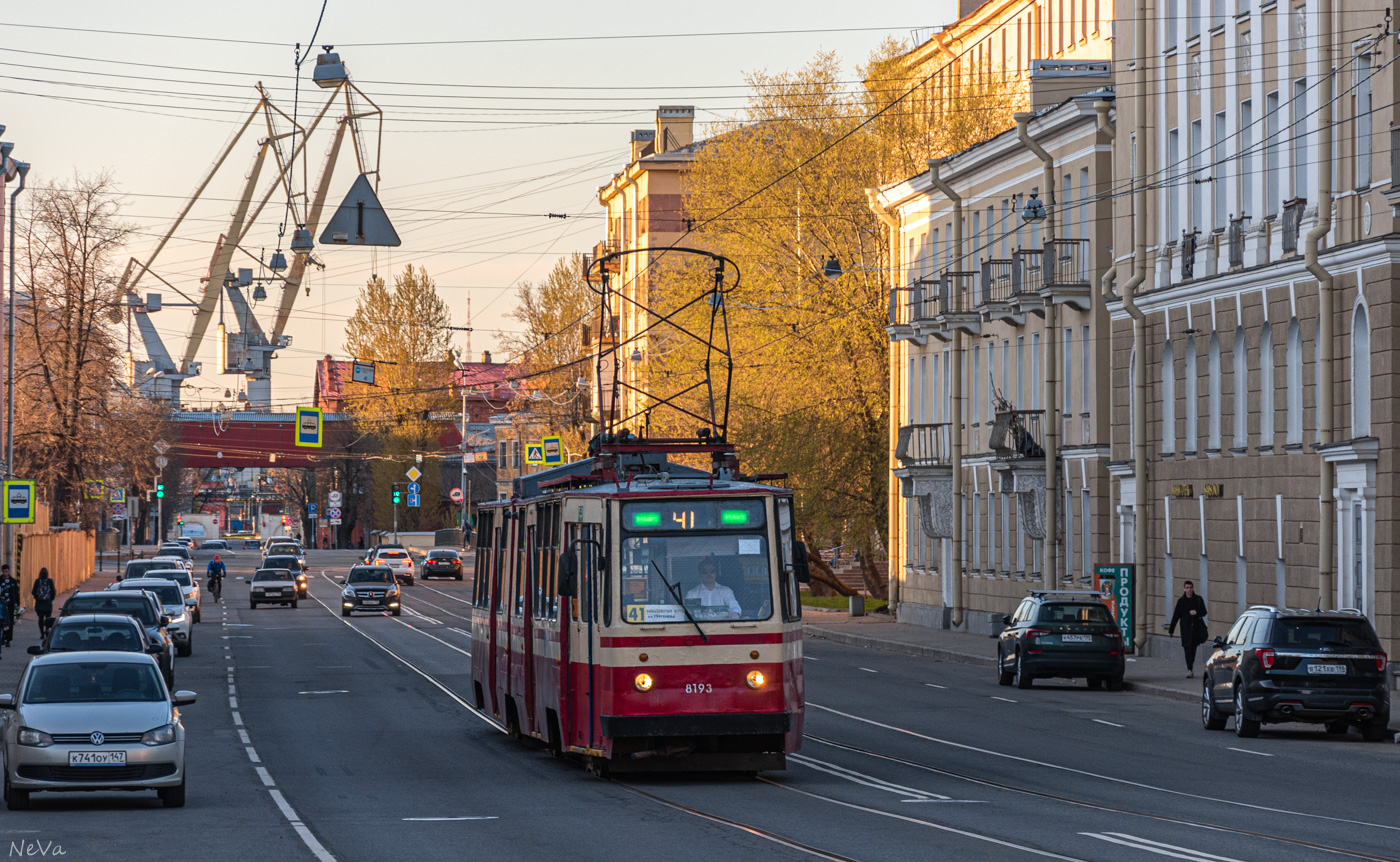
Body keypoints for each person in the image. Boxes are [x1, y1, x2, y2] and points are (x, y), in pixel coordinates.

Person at [1167, 580, 1209, 677]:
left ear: (1193, 588)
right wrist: (1171, 630)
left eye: (1190, 588)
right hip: (1186, 629)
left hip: (1196, 629)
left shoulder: (1198, 599)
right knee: (1187, 648)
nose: (1189, 590)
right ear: (1184, 589)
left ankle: (1191, 666)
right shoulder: (1181, 601)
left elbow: (1204, 612)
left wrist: (1196, 612)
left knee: (1193, 649)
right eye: (1187, 588)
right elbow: (1176, 616)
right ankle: (1189, 669)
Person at [31, 568, 55, 640]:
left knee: (40, 619)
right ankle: (47, 630)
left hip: (39, 604)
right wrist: (50, 599)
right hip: (48, 604)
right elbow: (53, 592)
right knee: (48, 618)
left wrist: (37, 598)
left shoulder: (37, 581)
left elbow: (33, 592)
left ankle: (42, 634)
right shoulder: (50, 581)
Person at [0, 566, 19, 647]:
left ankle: (8, 639)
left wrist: (17, 604)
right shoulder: (0, 580)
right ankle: (2, 637)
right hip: (1, 605)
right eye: (4, 571)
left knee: (10, 621)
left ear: (9, 571)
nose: (5, 573)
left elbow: (16, 594)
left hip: (11, 605)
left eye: (6, 571)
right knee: (1, 621)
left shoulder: (13, 581)